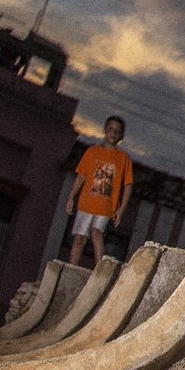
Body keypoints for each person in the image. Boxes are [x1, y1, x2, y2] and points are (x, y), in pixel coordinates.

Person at [67, 116, 135, 270]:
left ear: (121, 136)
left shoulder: (124, 159)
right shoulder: (92, 152)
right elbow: (81, 176)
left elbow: (128, 185)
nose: (113, 133)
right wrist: (71, 197)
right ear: (105, 130)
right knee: (79, 239)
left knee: (96, 233)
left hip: (106, 207)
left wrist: (121, 209)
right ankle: (71, 270)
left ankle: (99, 272)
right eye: (110, 129)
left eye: (117, 131)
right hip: (86, 203)